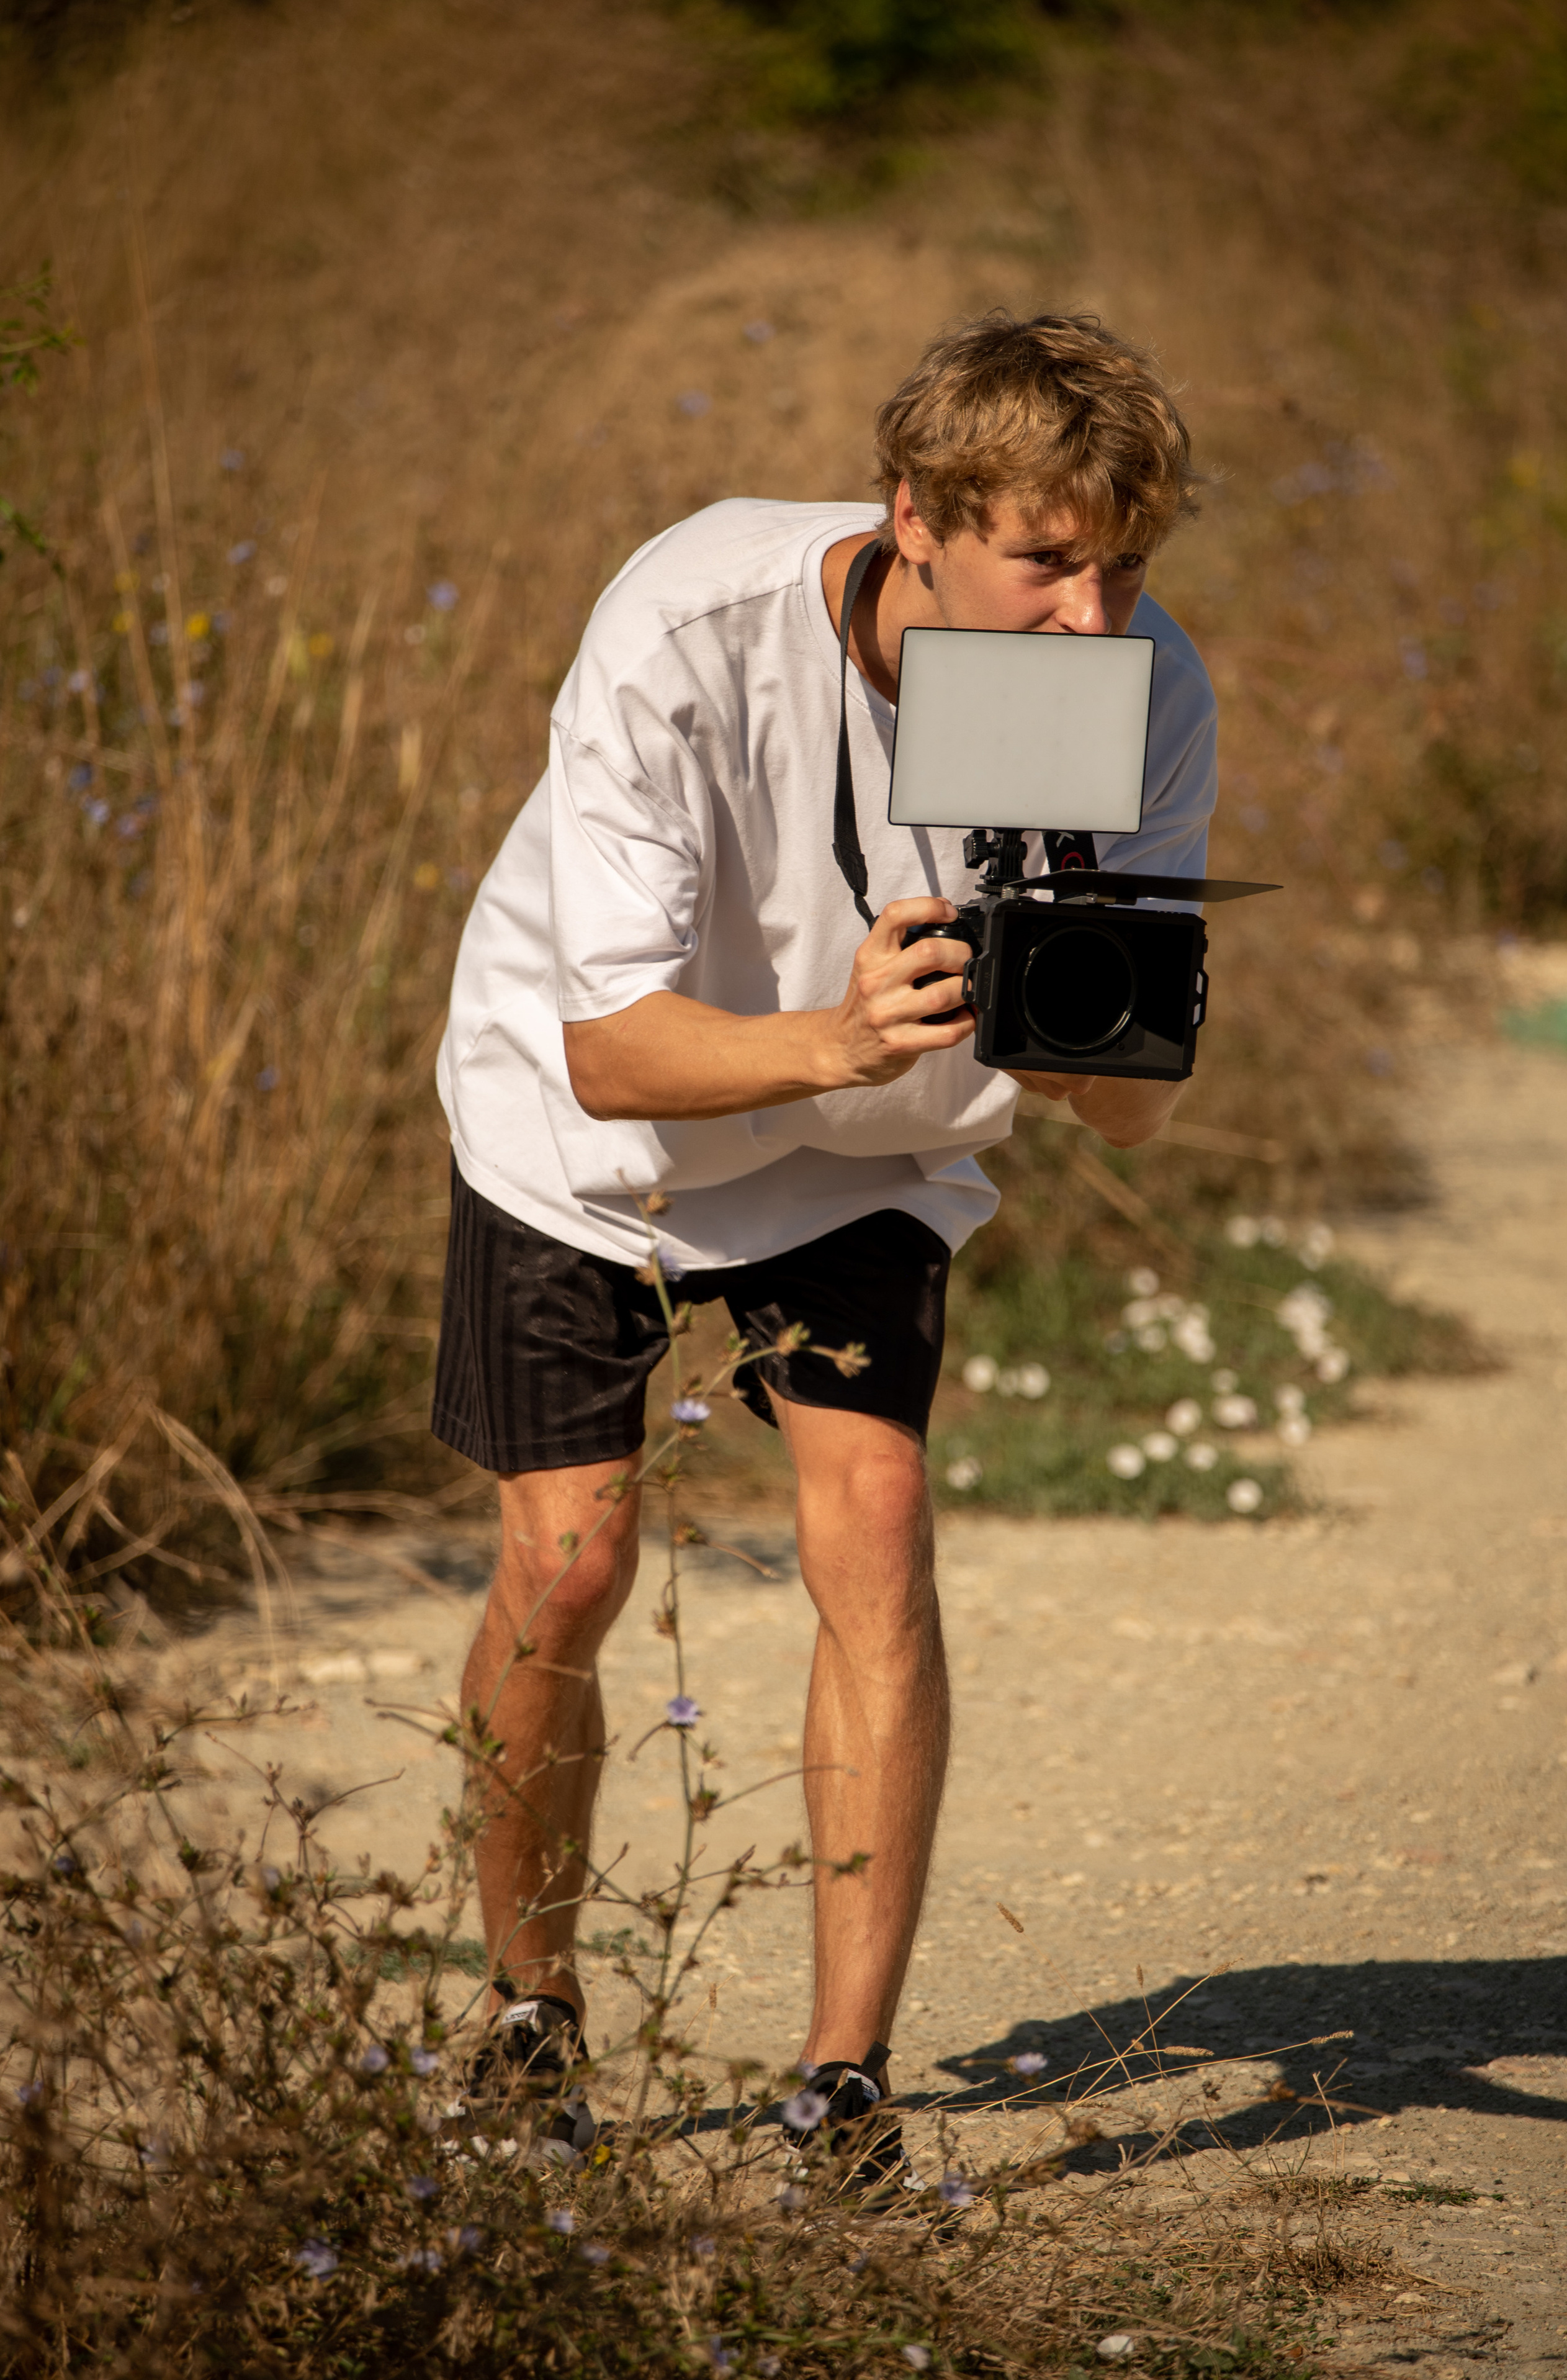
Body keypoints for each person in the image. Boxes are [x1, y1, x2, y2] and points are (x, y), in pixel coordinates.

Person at [431, 310, 1216, 2179]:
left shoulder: (1138, 684)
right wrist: (833, 1035)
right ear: (915, 517)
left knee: (872, 1521)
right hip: (596, 1132)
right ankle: (531, 2009)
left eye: (1125, 567)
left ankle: (842, 2080)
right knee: (570, 1559)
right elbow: (612, 1040)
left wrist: (1088, 1010)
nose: (1092, 620)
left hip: (869, 1152)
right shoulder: (693, 626)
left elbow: (1132, 1108)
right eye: (1043, 561)